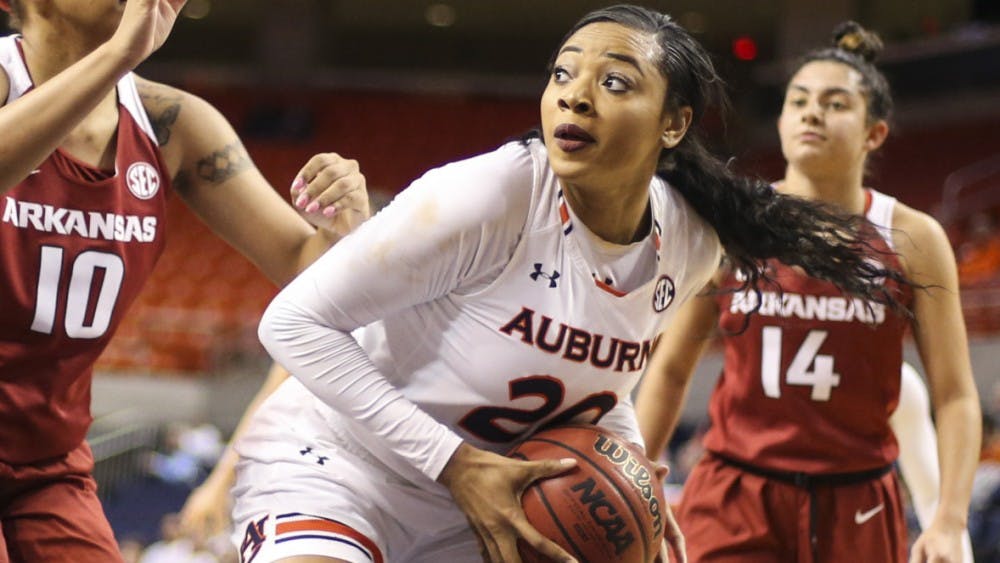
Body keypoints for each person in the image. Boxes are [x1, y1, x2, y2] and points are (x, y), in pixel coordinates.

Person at [232, 6, 908, 563]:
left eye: (615, 82)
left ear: (673, 123)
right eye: (562, 73)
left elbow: (597, 392)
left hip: (487, 501)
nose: (575, 94)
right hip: (341, 464)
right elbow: (291, 324)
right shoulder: (493, 193)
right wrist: (454, 463)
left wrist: (634, 475)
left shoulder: (693, 244)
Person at [0, 0, 369, 561]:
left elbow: (304, 266)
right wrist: (120, 54)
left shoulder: (173, 123)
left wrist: (341, 230)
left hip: (48, 462)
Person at [635, 21, 981, 563]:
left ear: (874, 133)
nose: (812, 112)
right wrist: (638, 481)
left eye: (835, 103)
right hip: (736, 491)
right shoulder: (734, 220)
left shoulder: (913, 237)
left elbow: (957, 395)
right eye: (798, 101)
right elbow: (673, 367)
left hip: (857, 500)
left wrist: (950, 519)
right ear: (781, 119)